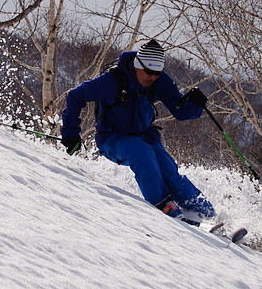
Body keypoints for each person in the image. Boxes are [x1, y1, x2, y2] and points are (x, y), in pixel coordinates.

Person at [60, 39, 215, 221]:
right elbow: (75, 96)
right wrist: (70, 134)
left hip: (145, 136)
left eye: (157, 73)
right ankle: (164, 206)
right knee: (141, 153)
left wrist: (195, 104)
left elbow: (179, 112)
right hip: (112, 138)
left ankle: (205, 212)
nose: (153, 77)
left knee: (168, 171)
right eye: (149, 72)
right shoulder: (112, 81)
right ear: (137, 65)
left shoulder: (160, 81)